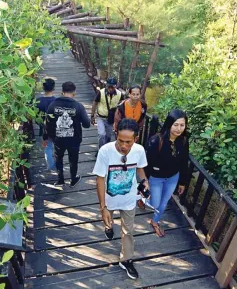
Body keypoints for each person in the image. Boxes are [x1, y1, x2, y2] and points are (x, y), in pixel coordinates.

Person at [92, 118, 149, 280]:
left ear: (135, 139)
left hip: (129, 198)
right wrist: (102, 207)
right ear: (116, 135)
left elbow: (140, 170)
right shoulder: (105, 151)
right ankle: (108, 227)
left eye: (128, 142)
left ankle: (126, 259)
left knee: (128, 231)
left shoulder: (139, 150)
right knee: (108, 221)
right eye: (121, 140)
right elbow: (100, 179)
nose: (124, 146)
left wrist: (145, 182)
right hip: (109, 199)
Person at [143, 109, 189, 237]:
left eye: (182, 125)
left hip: (173, 177)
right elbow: (147, 163)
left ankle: (155, 221)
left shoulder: (183, 140)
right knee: (155, 203)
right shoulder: (156, 141)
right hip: (156, 178)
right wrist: (145, 181)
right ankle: (143, 198)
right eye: (176, 125)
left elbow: (184, 162)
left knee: (163, 202)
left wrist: (182, 182)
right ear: (169, 124)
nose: (179, 129)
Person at [44, 81, 91, 187]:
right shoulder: (78, 106)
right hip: (74, 139)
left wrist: (48, 136)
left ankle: (60, 180)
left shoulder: (53, 105)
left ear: (62, 92)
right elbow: (87, 124)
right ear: (74, 92)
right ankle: (73, 179)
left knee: (58, 158)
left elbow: (47, 122)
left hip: (58, 138)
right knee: (73, 159)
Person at [90, 77, 125, 150]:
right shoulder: (101, 92)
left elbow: (122, 106)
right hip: (101, 117)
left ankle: (106, 149)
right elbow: (95, 103)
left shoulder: (119, 94)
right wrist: (92, 115)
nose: (110, 88)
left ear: (115, 86)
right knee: (102, 134)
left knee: (108, 136)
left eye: (112, 87)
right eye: (109, 86)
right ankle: (101, 150)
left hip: (111, 119)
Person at [36, 78, 57, 171]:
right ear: (53, 88)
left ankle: (51, 166)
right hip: (56, 129)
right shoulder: (57, 101)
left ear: (43, 88)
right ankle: (58, 164)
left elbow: (36, 117)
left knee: (47, 148)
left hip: (44, 129)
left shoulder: (38, 101)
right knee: (57, 148)